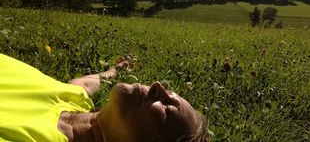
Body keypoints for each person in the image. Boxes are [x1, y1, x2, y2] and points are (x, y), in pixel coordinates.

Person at [0, 54, 209, 141]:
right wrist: (113, 71)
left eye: (167, 109)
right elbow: (84, 83)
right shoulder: (75, 99)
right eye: (168, 92)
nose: (158, 87)